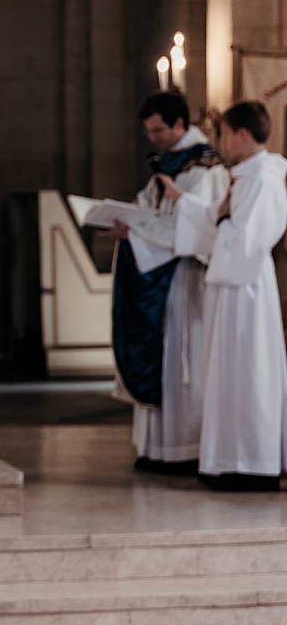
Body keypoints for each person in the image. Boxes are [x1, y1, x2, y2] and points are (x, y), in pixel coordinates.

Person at [159, 100, 287, 491]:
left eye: (225, 134)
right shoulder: (245, 176)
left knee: (249, 372)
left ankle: (252, 462)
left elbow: (249, 238)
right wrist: (186, 203)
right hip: (231, 287)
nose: (223, 143)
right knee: (230, 373)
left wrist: (219, 217)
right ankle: (228, 458)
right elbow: (220, 221)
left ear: (242, 135)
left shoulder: (265, 177)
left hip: (247, 288)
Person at [110, 92, 227, 473]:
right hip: (158, 273)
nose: (153, 138)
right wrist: (128, 220)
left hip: (183, 277)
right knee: (161, 352)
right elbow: (151, 207)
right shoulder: (170, 162)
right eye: (148, 131)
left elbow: (199, 226)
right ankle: (157, 448)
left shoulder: (204, 165)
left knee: (182, 357)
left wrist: (140, 234)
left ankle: (183, 449)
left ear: (179, 124)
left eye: (158, 130)